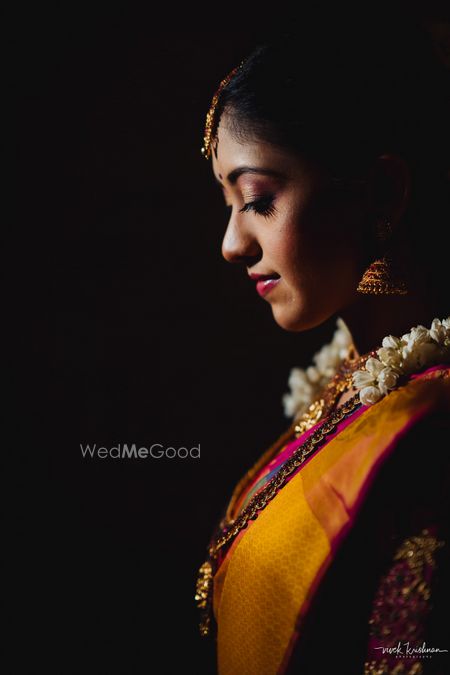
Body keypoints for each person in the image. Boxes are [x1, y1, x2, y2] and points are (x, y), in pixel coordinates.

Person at [195, 15, 450, 675]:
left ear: (383, 194)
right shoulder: (355, 376)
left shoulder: (430, 435)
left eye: (257, 200)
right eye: (228, 203)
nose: (232, 243)